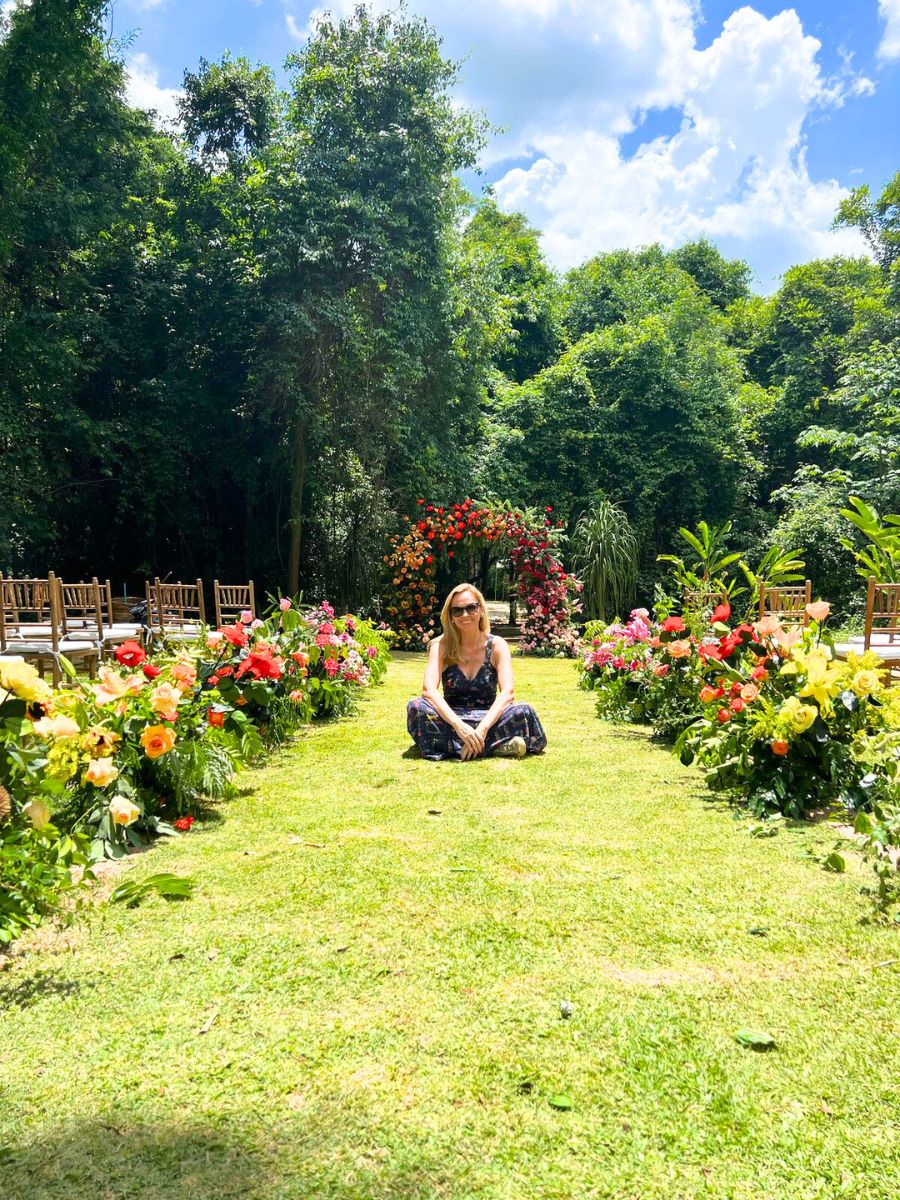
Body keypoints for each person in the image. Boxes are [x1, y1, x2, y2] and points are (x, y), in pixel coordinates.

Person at [406, 582, 547, 761]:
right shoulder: (440, 646)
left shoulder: (497, 645)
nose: (465, 615)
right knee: (416, 707)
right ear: (450, 617)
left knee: (524, 711)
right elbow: (428, 691)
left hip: (489, 718)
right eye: (457, 610)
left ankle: (459, 746)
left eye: (471, 608)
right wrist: (459, 726)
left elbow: (508, 693)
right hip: (451, 718)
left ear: (481, 610)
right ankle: (496, 747)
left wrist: (481, 729)